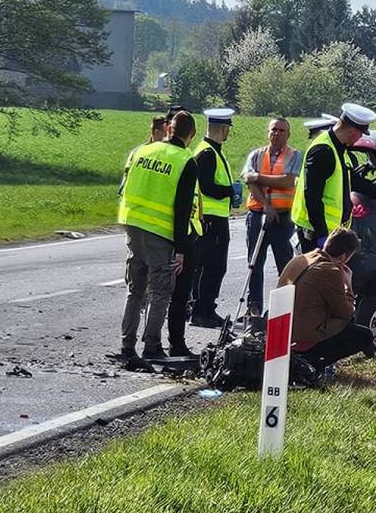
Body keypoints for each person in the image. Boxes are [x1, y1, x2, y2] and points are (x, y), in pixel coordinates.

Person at [115, 111, 200, 371]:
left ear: (168, 129)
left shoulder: (143, 152)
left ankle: (126, 345)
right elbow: (183, 208)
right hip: (161, 234)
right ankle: (152, 346)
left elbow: (126, 186)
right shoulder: (186, 161)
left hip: (133, 226)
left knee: (135, 290)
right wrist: (180, 249)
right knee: (161, 292)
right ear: (191, 135)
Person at [277, 228, 376, 376]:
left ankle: (373, 353)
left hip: (282, 332)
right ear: (343, 257)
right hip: (302, 340)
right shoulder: (330, 271)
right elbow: (346, 312)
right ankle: (315, 362)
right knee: (364, 335)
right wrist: (348, 286)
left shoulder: (301, 259)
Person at [291, 103, 376, 253]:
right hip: (316, 232)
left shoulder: (339, 148)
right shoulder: (323, 151)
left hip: (332, 232)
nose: (360, 138)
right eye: (361, 134)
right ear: (351, 132)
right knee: (318, 276)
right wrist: (322, 236)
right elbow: (312, 197)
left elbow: (351, 180)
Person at [239, 118, 303, 317]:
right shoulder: (257, 155)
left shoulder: (294, 155)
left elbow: (289, 181)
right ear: (268, 132)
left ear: (288, 134)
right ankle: (254, 306)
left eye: (281, 130)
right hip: (258, 214)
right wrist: (266, 205)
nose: (277, 133)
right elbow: (248, 181)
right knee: (254, 262)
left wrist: (258, 177)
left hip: (283, 218)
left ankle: (284, 308)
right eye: (274, 130)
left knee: (285, 264)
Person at [190, 108, 241, 328]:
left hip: (213, 217)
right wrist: (230, 191)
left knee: (210, 267)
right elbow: (207, 187)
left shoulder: (211, 150)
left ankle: (204, 308)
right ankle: (203, 311)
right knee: (212, 267)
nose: (228, 131)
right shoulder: (208, 153)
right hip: (210, 218)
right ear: (223, 128)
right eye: (228, 127)